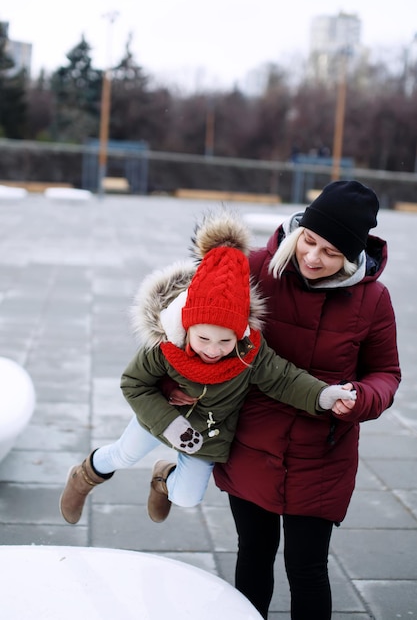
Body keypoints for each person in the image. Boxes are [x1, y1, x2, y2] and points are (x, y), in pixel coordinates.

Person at [59, 209, 355, 526]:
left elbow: (284, 378)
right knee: (125, 454)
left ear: (240, 333)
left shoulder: (250, 352)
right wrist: (169, 423)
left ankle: (163, 478)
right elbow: (133, 384)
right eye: (203, 339)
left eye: (225, 342)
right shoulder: (166, 346)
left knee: (187, 498)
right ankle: (85, 475)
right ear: (187, 327)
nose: (213, 351)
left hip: (208, 435)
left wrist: (322, 395)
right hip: (160, 419)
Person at [211, 181, 401, 620]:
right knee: (253, 555)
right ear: (298, 231)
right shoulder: (257, 268)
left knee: (308, 568)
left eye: (331, 252)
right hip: (253, 444)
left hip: (323, 455)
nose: (313, 258)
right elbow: (197, 330)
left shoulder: (373, 299)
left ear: (352, 256)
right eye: (309, 242)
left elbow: (386, 374)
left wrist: (362, 398)